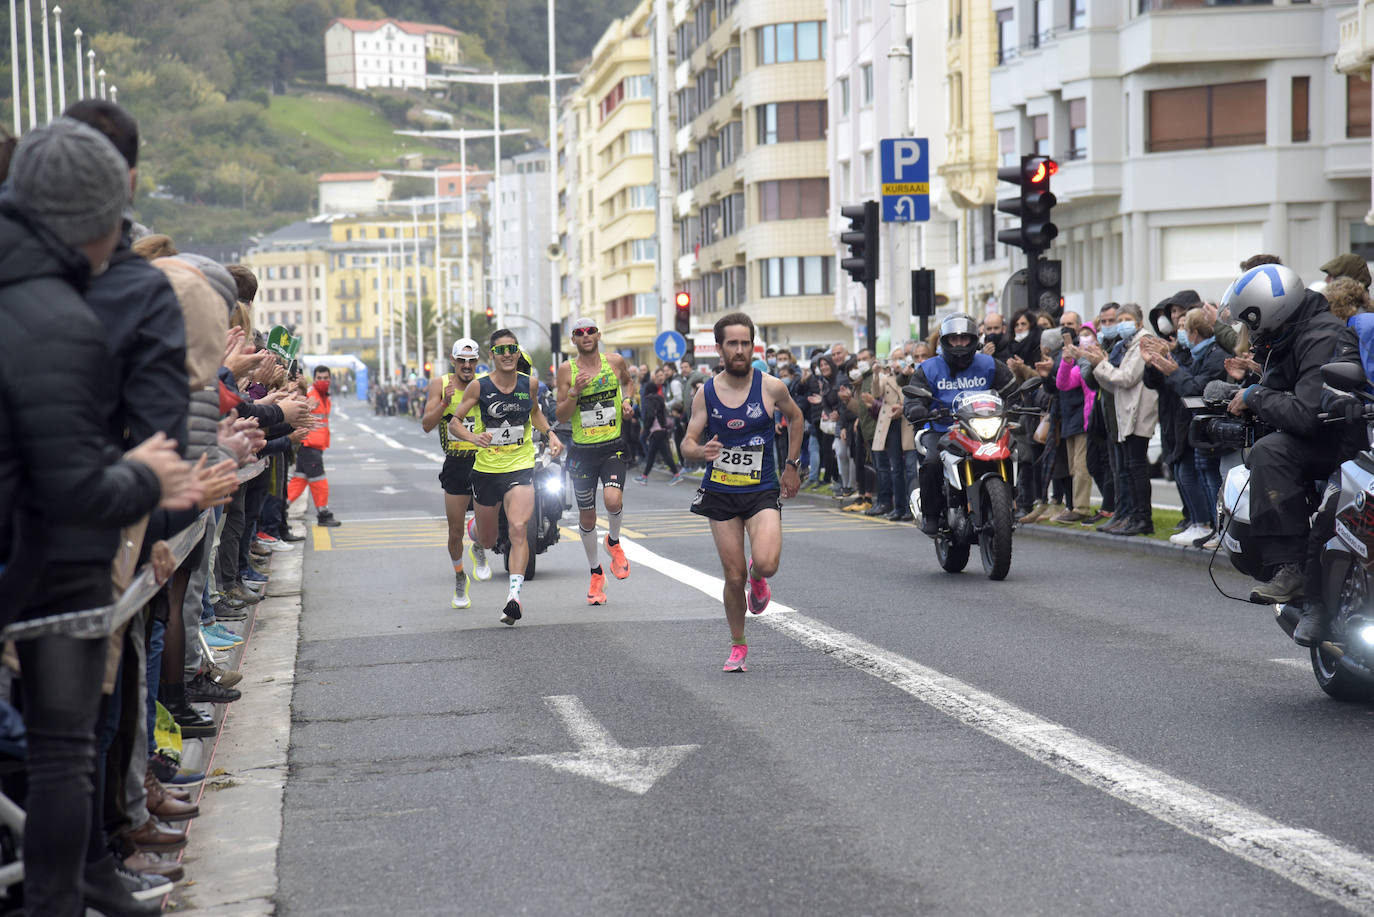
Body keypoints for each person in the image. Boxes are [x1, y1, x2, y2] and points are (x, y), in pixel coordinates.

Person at [0, 117, 199, 917]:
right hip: (53, 571)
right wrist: (145, 474)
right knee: (61, 757)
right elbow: (78, 486)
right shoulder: (62, 316)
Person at [1221, 265, 1360, 632]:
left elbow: (1307, 413)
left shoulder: (1321, 335)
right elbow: (1283, 387)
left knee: (1276, 457)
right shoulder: (1293, 334)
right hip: (1331, 442)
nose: (1251, 332)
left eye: (1252, 322)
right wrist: (1241, 392)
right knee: (1268, 451)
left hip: (1346, 446)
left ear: (1270, 311)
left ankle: (1302, 584)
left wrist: (1255, 395)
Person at [681, 313, 803, 672]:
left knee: (766, 562)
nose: (739, 350)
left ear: (753, 345)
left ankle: (759, 577)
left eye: (745, 343)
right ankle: (738, 645)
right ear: (719, 349)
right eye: (732, 344)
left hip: (761, 489)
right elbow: (688, 441)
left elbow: (796, 418)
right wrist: (698, 451)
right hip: (720, 493)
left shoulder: (771, 387)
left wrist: (791, 465)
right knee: (731, 577)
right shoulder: (706, 392)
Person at [448, 330, 563, 625]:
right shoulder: (479, 387)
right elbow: (455, 423)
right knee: (488, 540)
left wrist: (549, 433)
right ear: (492, 356)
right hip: (487, 471)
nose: (508, 354)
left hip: (520, 465)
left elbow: (535, 412)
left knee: (519, 528)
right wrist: (473, 438)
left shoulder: (530, 384)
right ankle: (477, 540)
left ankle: (514, 598)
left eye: (512, 348)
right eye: (501, 350)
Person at [902, 313, 1015, 536]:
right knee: (932, 462)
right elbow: (913, 398)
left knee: (1014, 449)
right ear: (944, 341)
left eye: (964, 339)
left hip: (982, 428)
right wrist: (918, 409)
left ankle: (1011, 502)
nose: (959, 344)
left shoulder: (990, 364)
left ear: (974, 340)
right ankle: (932, 514)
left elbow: (1011, 391)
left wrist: (1016, 407)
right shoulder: (928, 368)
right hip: (943, 428)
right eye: (954, 339)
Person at [555, 317, 635, 605]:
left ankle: (613, 541)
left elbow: (628, 384)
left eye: (590, 331)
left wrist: (628, 402)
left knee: (613, 500)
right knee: (587, 516)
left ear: (599, 335)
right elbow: (561, 415)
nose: (586, 336)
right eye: (579, 333)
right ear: (573, 340)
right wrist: (574, 392)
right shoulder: (567, 370)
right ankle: (596, 572)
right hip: (582, 453)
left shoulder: (614, 362)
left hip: (612, 446)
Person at [422, 338, 492, 609]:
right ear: (453, 361)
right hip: (456, 463)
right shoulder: (440, 385)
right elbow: (427, 425)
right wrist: (444, 403)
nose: (466, 366)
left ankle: (480, 547)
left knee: (491, 521)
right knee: (454, 530)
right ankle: (460, 576)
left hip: (484, 461)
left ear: (477, 362)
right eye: (461, 361)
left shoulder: (485, 384)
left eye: (471, 360)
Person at [1082, 303, 1159, 536]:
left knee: (1136, 468)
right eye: (1120, 319)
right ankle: (1133, 516)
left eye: (1127, 319)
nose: (1122, 323)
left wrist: (1101, 365)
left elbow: (1126, 378)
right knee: (1128, 467)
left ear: (1138, 322)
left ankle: (1142, 518)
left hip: (1138, 413)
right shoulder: (1127, 344)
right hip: (1125, 412)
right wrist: (1100, 366)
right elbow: (1112, 384)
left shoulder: (1142, 342)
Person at [286, 366, 341, 527]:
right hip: (308, 444)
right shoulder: (310, 394)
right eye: (320, 378)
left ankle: (282, 506)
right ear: (314, 379)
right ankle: (323, 513)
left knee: (299, 480)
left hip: (314, 445)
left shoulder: (324, 397)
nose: (323, 381)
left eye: (326, 378)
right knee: (319, 480)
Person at [635, 368, 685, 484]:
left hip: (655, 430)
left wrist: (646, 428)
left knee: (665, 455)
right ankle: (644, 476)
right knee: (652, 455)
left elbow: (651, 415)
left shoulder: (649, 400)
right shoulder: (660, 399)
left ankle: (676, 475)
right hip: (662, 429)